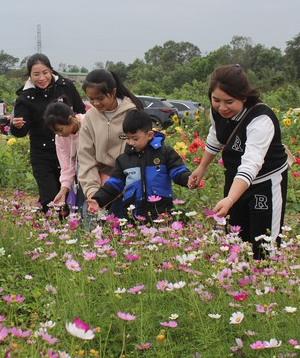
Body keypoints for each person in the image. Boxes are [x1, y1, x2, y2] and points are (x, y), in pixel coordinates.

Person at [187, 64, 288, 260]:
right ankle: (241, 283)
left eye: (229, 102)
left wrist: (230, 199)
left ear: (244, 97)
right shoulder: (217, 111)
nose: (222, 107)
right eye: (216, 100)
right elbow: (216, 136)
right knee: (236, 239)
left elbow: (251, 164)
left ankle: (265, 283)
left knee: (264, 244)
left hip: (264, 184)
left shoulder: (261, 119)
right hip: (235, 181)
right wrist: (201, 168)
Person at [10, 53, 86, 211]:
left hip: (69, 149)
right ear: (29, 75)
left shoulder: (65, 86)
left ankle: (65, 228)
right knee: (49, 196)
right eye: (36, 74)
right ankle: (49, 229)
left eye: (45, 72)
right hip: (42, 153)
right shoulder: (25, 97)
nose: (41, 78)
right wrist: (17, 127)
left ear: (51, 70)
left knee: (68, 194)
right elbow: (21, 131)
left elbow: (80, 112)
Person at [86, 110, 191, 222]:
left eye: (135, 138)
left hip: (162, 213)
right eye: (127, 138)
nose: (130, 142)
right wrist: (98, 200)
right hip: (134, 215)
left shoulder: (165, 153)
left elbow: (178, 171)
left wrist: (189, 179)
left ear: (149, 135)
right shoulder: (124, 160)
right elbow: (113, 185)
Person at [77, 69, 144, 219]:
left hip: (127, 182)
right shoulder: (90, 117)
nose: (95, 103)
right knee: (91, 229)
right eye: (90, 99)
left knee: (121, 229)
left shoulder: (132, 114)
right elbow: (86, 157)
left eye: (100, 98)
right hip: (96, 180)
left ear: (113, 92)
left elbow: (138, 153)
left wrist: (119, 186)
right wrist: (93, 192)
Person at [43, 98, 85, 216]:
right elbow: (67, 166)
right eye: (56, 133)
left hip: (98, 173)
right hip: (80, 177)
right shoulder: (60, 139)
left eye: (60, 130)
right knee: (80, 211)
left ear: (70, 119)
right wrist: (63, 190)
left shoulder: (88, 123)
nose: (59, 135)